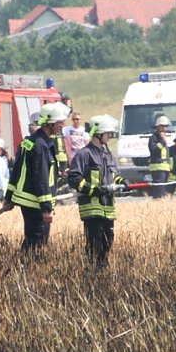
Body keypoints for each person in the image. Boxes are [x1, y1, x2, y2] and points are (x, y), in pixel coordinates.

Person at [4, 101, 71, 252]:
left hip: (28, 202)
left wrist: (9, 197)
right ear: (49, 123)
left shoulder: (30, 141)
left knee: (31, 242)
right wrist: (46, 208)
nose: (62, 125)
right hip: (36, 204)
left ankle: (24, 270)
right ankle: (26, 272)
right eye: (60, 122)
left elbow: (17, 170)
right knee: (36, 245)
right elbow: (42, 178)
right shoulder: (41, 145)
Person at [68, 114, 129, 268]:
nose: (109, 136)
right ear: (98, 133)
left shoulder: (108, 155)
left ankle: (102, 271)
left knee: (108, 242)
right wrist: (95, 190)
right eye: (107, 133)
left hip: (108, 208)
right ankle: (92, 272)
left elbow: (115, 175)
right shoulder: (84, 154)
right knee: (94, 244)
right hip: (92, 208)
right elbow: (74, 179)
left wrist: (123, 182)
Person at [148, 115, 171, 199]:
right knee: (159, 191)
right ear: (157, 126)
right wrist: (162, 141)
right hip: (157, 168)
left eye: (166, 126)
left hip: (166, 168)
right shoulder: (153, 138)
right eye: (162, 126)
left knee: (164, 190)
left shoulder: (165, 138)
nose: (164, 128)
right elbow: (154, 150)